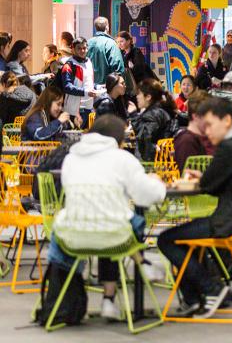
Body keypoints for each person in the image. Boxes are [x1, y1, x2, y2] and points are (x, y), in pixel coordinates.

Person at [158, 96, 232, 318]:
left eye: (210, 125)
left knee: (166, 239)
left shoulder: (230, 147)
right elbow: (227, 179)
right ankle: (197, 298)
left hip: (229, 223)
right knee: (189, 238)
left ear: (227, 121)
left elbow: (208, 185)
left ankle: (211, 289)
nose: (207, 131)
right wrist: (205, 177)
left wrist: (200, 178)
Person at [48, 114, 166, 319]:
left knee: (104, 223)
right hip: (116, 237)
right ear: (117, 139)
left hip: (72, 236)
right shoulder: (122, 159)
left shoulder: (71, 159)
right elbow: (146, 195)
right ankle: (139, 265)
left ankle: (110, 299)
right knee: (121, 223)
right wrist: (156, 181)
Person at [132, 80, 177, 161]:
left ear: (148, 97)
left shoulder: (152, 114)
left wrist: (133, 115)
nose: (137, 96)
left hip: (154, 164)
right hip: (163, 159)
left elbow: (145, 141)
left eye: (139, 93)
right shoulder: (161, 109)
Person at [173, 90, 215, 171]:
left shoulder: (204, 137)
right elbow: (188, 177)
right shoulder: (187, 141)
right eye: (208, 115)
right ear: (196, 116)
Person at [61, 37, 97, 125]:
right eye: (79, 48)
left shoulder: (89, 62)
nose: (82, 51)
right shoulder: (69, 65)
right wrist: (86, 92)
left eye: (84, 48)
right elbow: (67, 87)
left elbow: (88, 82)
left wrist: (98, 87)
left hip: (89, 107)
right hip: (74, 110)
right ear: (73, 49)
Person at [87, 17, 125, 85]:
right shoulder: (111, 43)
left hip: (89, 87)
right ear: (107, 27)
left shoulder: (88, 43)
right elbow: (117, 67)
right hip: (106, 88)